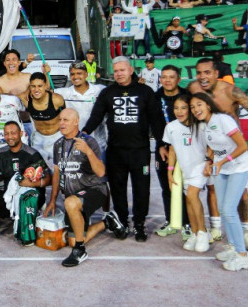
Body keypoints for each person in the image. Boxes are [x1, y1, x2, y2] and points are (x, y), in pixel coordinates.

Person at [188, 57, 248, 251]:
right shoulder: (193, 88)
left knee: (242, 194)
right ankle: (216, 229)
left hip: (235, 151)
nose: (202, 77)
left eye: (207, 72)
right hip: (211, 150)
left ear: (216, 73)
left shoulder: (230, 91)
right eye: (199, 72)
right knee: (213, 191)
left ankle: (246, 232)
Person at [83, 56, 165, 242]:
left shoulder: (145, 91)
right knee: (118, 189)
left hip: (140, 151)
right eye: (116, 70)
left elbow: (156, 121)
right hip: (116, 151)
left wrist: (162, 144)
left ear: (130, 70)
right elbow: (96, 116)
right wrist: (84, 133)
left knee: (141, 189)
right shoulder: (108, 93)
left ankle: (139, 224)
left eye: (122, 70)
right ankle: (121, 221)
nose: (119, 74)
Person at [45, 109, 122, 267]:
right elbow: (57, 173)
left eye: (66, 120)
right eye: (60, 120)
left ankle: (80, 251)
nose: (61, 123)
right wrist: (52, 200)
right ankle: (106, 222)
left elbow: (101, 172)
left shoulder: (89, 141)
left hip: (95, 190)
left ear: (76, 121)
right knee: (72, 240)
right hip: (74, 197)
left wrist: (88, 151)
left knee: (71, 203)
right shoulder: (58, 144)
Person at [190, 92, 248, 271]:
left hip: (238, 167)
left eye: (199, 105)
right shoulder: (205, 126)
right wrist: (210, 162)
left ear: (208, 105)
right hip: (221, 168)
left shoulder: (223, 120)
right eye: (193, 107)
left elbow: (243, 146)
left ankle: (243, 256)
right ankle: (233, 247)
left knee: (228, 209)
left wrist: (223, 161)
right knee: (222, 209)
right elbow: (213, 147)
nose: (196, 109)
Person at [0, 122, 49, 237]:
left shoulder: (32, 154)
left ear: (20, 134)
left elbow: (48, 179)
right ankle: (14, 214)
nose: (10, 137)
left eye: (13, 133)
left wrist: (31, 183)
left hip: (29, 196)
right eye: (6, 134)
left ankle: (28, 213)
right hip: (9, 196)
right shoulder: (0, 153)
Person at [162, 93, 212, 252]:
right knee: (189, 200)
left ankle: (203, 232)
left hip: (200, 167)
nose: (179, 111)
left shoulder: (202, 126)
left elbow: (212, 145)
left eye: (183, 107)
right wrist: (170, 172)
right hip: (185, 169)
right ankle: (195, 233)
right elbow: (172, 150)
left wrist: (209, 161)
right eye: (176, 108)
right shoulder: (171, 127)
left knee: (192, 195)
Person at [154, 65, 192, 238]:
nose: (167, 80)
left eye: (171, 77)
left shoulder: (187, 96)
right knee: (166, 186)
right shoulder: (154, 97)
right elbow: (151, 123)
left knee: (187, 187)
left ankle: (188, 223)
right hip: (163, 149)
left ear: (179, 79)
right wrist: (161, 145)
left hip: (186, 149)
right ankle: (171, 221)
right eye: (164, 77)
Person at [17, 72, 65, 169]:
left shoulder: (56, 99)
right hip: (39, 139)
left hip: (57, 138)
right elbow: (6, 98)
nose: (36, 89)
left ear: (45, 86)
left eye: (40, 86)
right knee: (38, 170)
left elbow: (67, 116)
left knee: (59, 171)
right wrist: (27, 91)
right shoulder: (25, 98)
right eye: (33, 86)